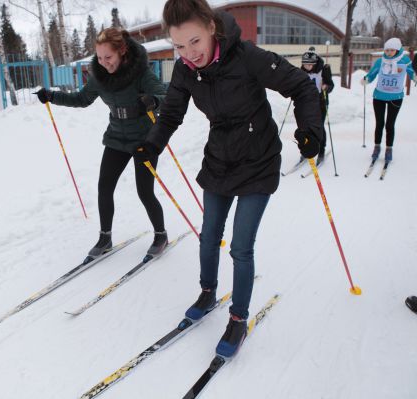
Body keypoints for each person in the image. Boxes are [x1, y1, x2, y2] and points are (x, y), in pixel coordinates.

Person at [134, 0, 323, 358]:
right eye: (178, 46)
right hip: (220, 159)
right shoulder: (186, 69)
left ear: (210, 27)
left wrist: (310, 130)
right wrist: (151, 145)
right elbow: (171, 112)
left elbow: (301, 86)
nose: (189, 53)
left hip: (258, 161)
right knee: (208, 236)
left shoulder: (247, 56)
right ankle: (208, 292)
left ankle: (238, 318)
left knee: (240, 247)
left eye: (194, 41)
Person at [35, 28, 168, 258]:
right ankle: (105, 237)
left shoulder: (141, 74)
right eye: (99, 57)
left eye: (109, 57)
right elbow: (81, 99)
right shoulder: (100, 77)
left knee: (144, 191)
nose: (104, 63)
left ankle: (161, 234)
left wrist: (153, 101)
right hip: (116, 138)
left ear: (122, 52)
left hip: (143, 140)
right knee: (104, 187)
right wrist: (52, 96)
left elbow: (166, 97)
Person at [361, 38, 415, 162]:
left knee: (390, 124)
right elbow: (373, 73)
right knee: (379, 124)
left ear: (397, 49)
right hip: (379, 96)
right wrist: (367, 79)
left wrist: (415, 77)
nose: (389, 52)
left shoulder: (405, 60)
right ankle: (377, 146)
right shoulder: (381, 61)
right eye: (387, 50)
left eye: (392, 50)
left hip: (395, 97)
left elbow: (412, 72)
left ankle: (389, 148)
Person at [300, 47, 334, 163]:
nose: (308, 67)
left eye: (310, 65)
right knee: (304, 127)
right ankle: (306, 149)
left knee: (318, 127)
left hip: (320, 101)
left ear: (315, 63)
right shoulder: (302, 71)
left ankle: (321, 151)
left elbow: (331, 85)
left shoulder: (323, 69)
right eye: (305, 65)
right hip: (306, 101)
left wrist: (326, 87)